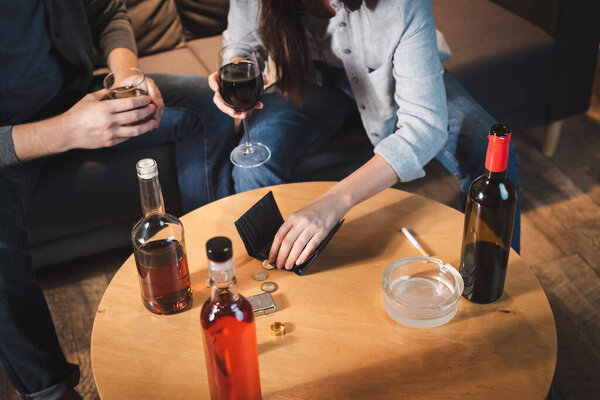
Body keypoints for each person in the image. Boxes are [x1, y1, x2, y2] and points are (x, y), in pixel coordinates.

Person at [0, 1, 232, 398]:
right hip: (11, 142)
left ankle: (214, 278)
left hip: (73, 97)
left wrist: (128, 75)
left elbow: (109, 13)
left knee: (208, 108)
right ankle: (50, 390)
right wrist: (66, 132)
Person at [209, 0, 521, 270]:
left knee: (488, 151)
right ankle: (280, 272)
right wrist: (238, 67)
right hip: (311, 81)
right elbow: (241, 43)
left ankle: (492, 280)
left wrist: (335, 201)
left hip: (388, 75)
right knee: (255, 164)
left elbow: (425, 124)